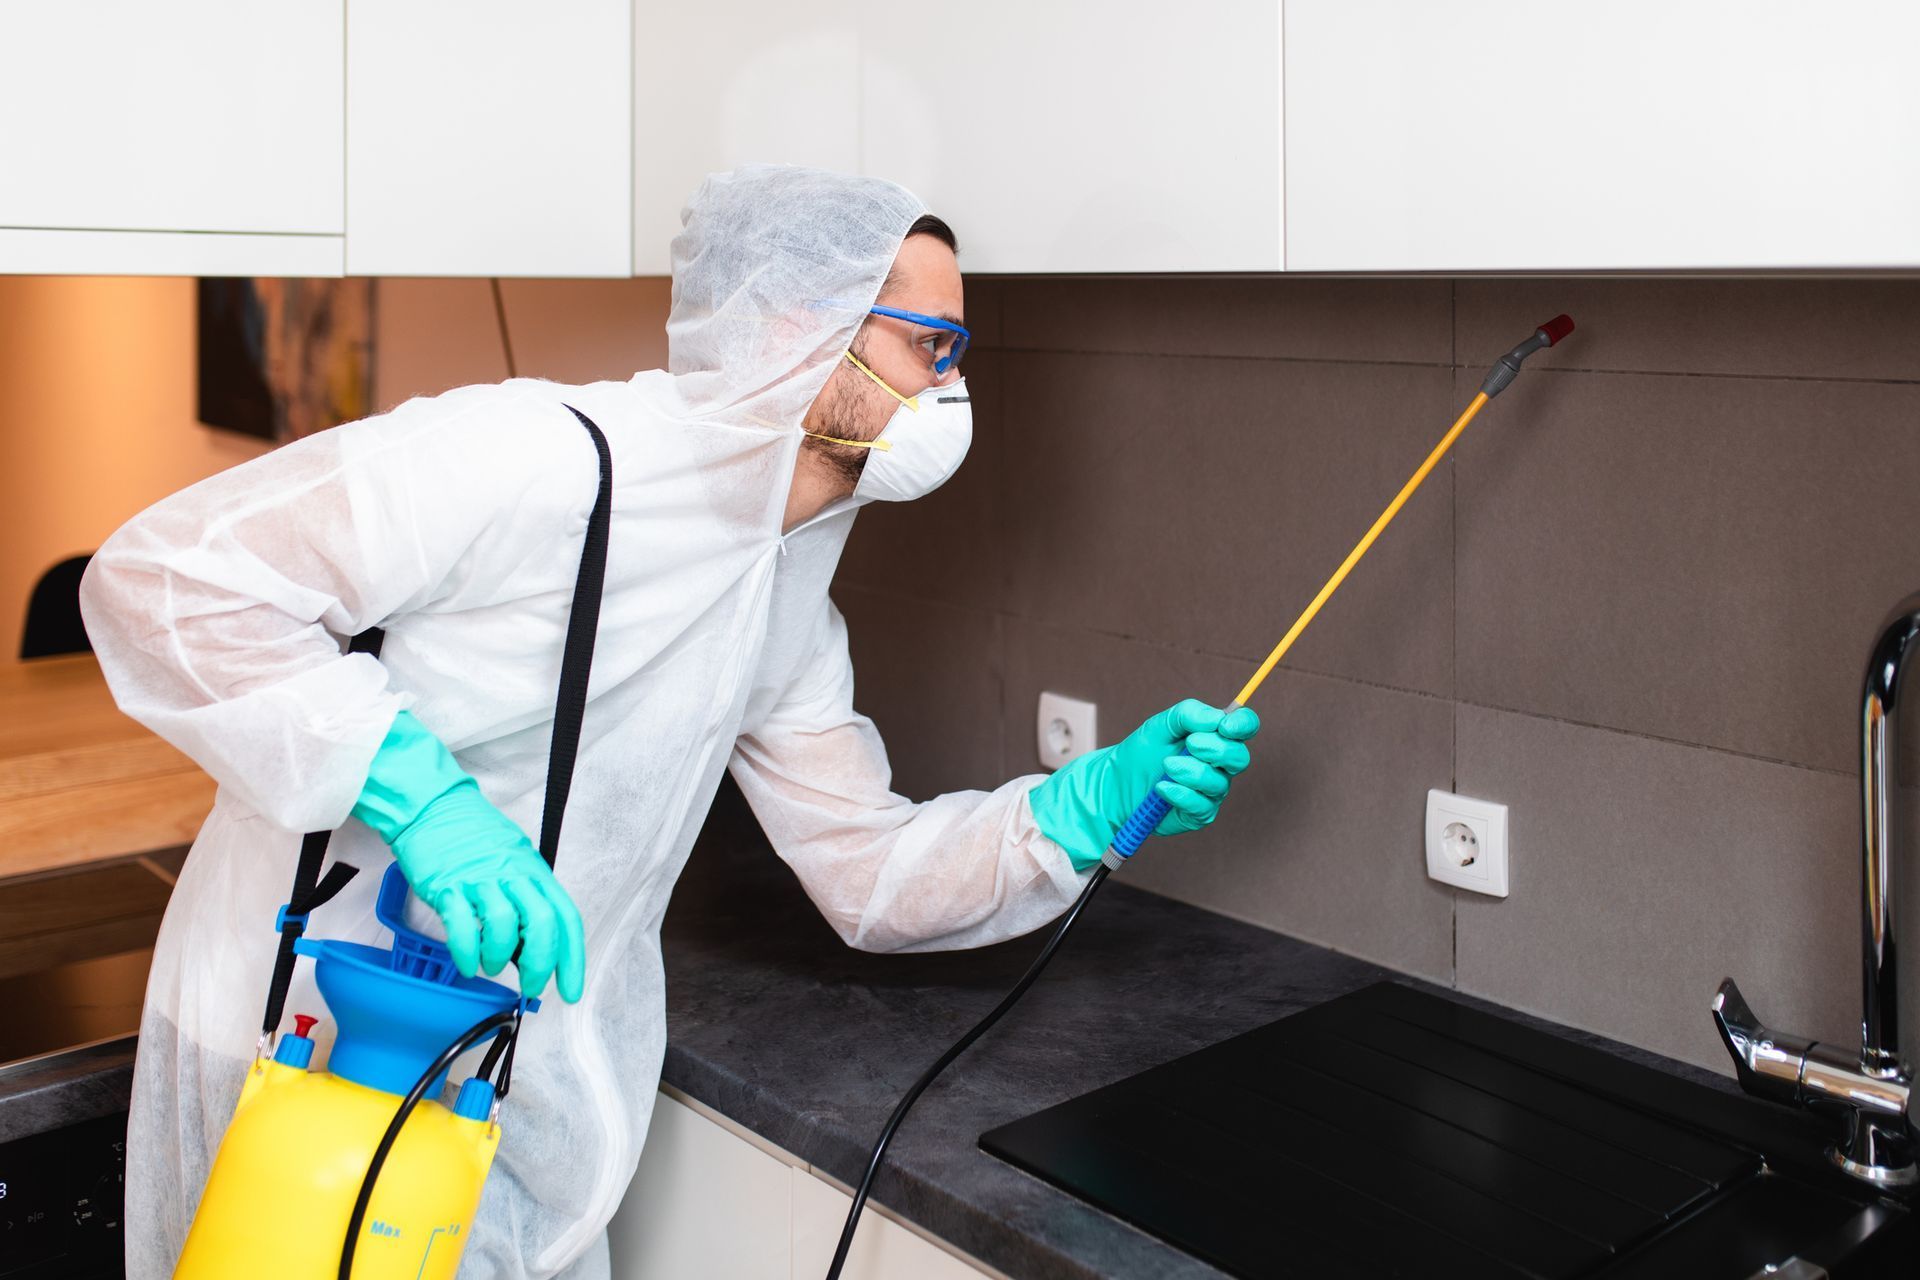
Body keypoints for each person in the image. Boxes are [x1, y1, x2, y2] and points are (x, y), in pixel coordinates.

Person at [81, 164, 1260, 1279]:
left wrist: (1080, 808)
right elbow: (163, 580)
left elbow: (865, 869)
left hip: (522, 1083)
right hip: (316, 1046)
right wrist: (418, 795)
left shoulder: (781, 590)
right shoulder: (534, 460)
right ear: (800, 327)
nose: (952, 391)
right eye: (929, 344)